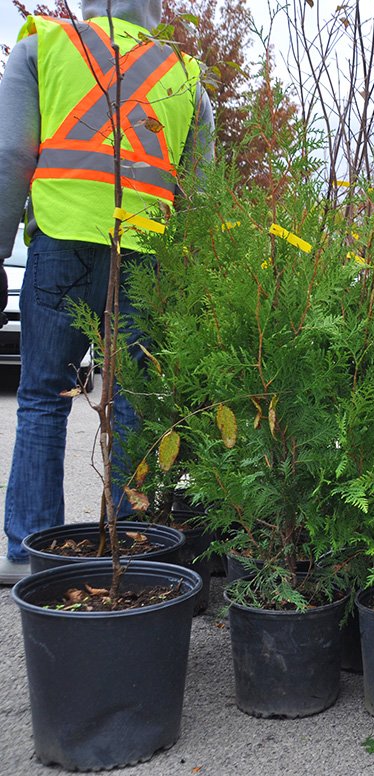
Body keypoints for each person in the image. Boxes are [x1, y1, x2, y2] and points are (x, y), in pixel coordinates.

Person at [0, 0, 214, 584]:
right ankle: (132, 543)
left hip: (63, 243)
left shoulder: (43, 48)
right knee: (132, 401)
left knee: (44, 394)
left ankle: (30, 552)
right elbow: (201, 193)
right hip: (147, 255)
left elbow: (11, 156)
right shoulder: (185, 78)